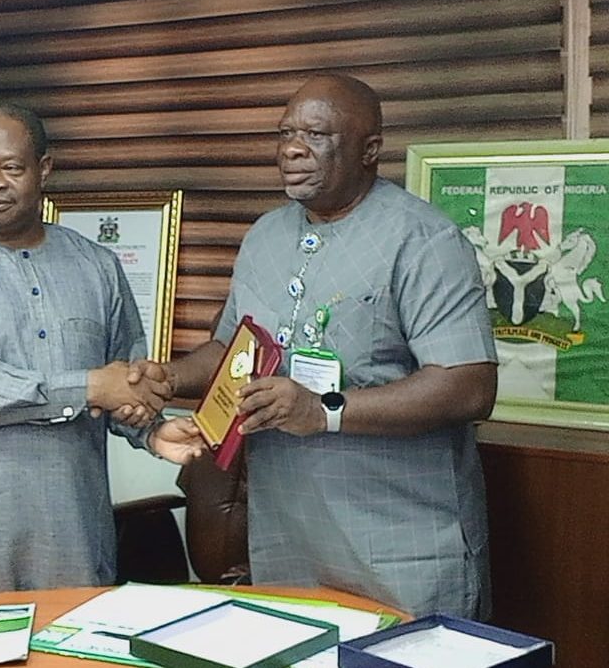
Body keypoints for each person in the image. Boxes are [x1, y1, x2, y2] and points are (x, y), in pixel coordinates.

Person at [136, 74, 498, 618]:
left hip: (399, 540)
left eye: (317, 135)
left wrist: (323, 411)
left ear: (370, 150)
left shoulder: (423, 240)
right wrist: (171, 377)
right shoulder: (265, 235)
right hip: (290, 537)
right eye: (285, 133)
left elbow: (469, 386)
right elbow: (232, 351)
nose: (292, 149)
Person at [0, 104, 205, 594]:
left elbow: (124, 378)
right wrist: (88, 387)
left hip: (75, 535)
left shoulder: (97, 265)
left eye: (11, 167)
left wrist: (152, 430)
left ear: (44, 169)